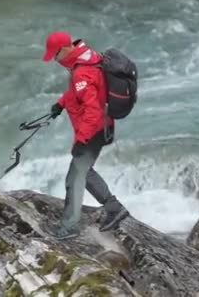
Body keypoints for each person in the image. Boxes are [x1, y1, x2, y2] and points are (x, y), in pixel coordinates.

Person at [42, 31, 129, 240]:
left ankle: (70, 227)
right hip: (101, 126)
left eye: (55, 55)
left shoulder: (82, 72)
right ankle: (113, 208)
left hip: (94, 129)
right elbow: (81, 90)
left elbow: (93, 111)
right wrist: (61, 103)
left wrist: (82, 140)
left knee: (76, 177)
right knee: (83, 172)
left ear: (64, 49)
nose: (54, 59)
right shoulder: (85, 58)